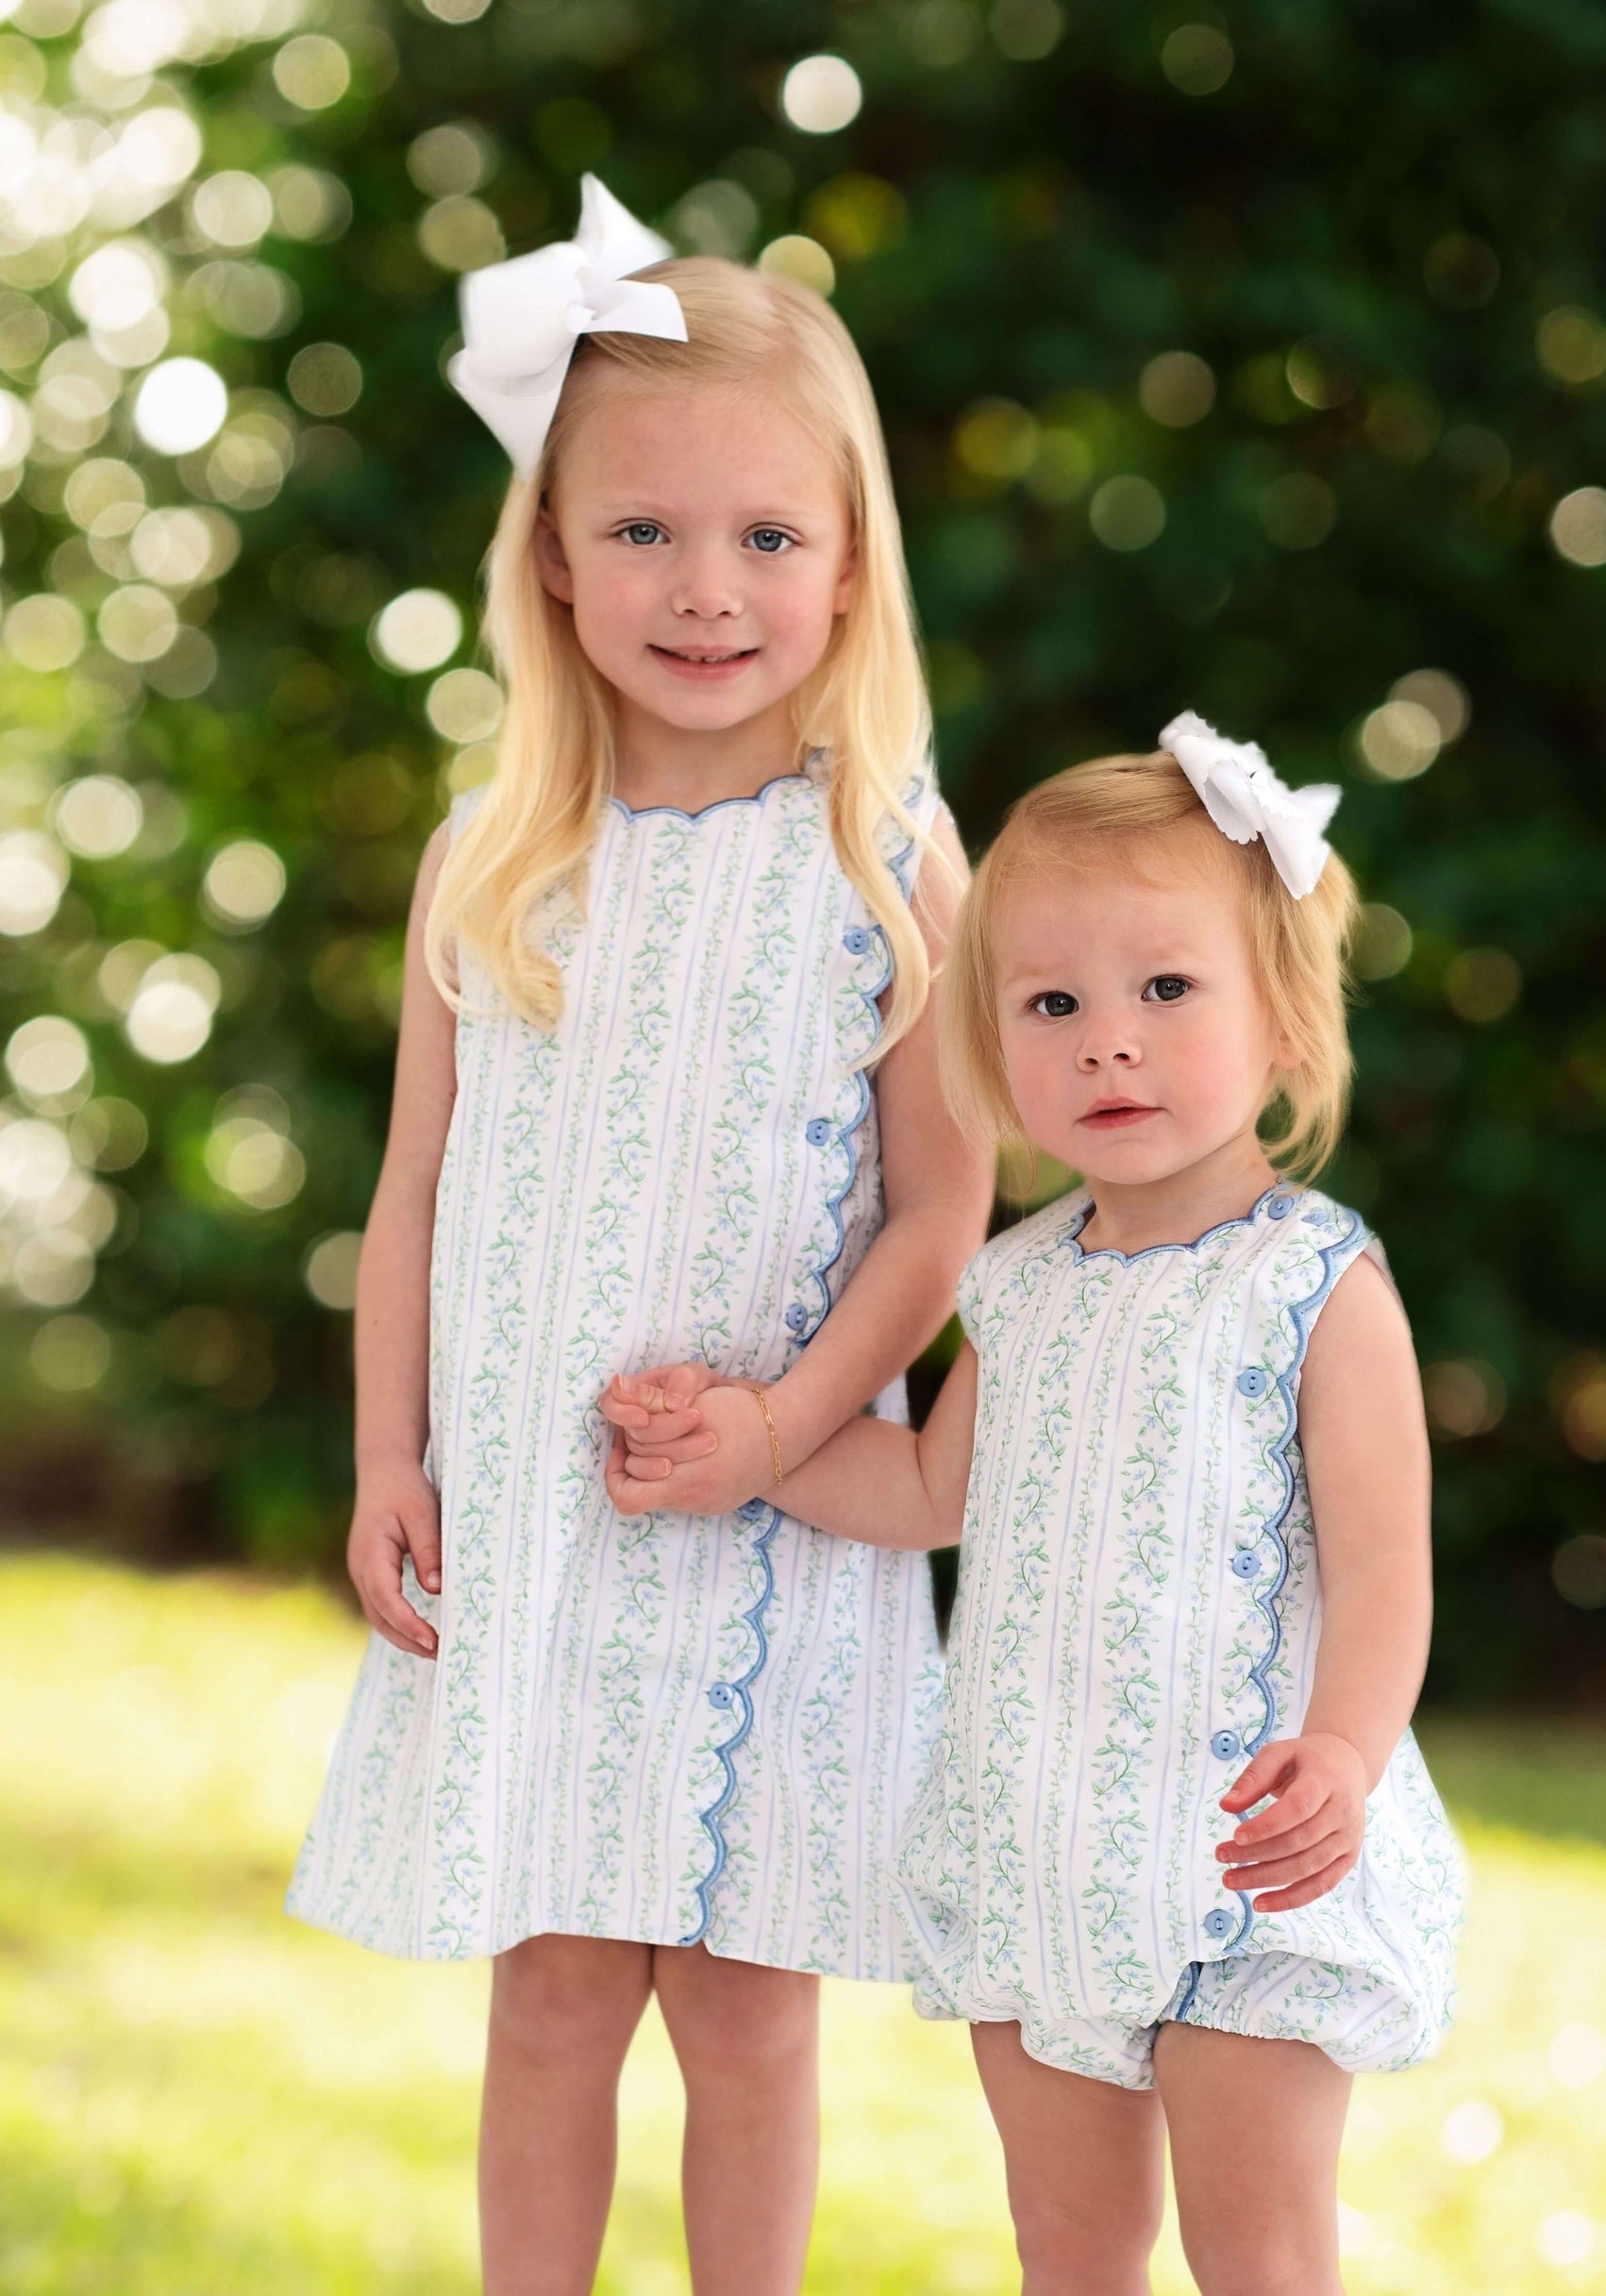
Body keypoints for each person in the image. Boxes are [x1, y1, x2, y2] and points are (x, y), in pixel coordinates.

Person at [287, 178, 991, 2296]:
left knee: (750, 2001)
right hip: (540, 1515)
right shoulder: (499, 854)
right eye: (646, 533)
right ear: (553, 566)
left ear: (850, 561)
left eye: (768, 537)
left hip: (771, 1521)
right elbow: (411, 1189)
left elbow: (943, 1202)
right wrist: (386, 1454)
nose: (708, 588)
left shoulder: (883, 855)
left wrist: (780, 1426)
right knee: (556, 1982)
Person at [610, 714, 1464, 2296]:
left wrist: (1343, 1751)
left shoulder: (1313, 1283)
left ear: (1280, 1017)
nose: (1107, 1042)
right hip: (1043, 1849)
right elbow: (931, 1487)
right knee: (1069, 2248)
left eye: (1165, 990)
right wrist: (759, 1440)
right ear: (993, 1047)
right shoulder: (1015, 1288)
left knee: (1257, 2249)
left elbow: (1383, 1567)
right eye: (1052, 1004)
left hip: (1244, 1858)